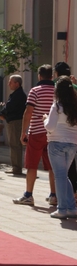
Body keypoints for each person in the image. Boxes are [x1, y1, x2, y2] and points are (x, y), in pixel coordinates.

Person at [13, 64, 56, 206]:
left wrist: (23, 132)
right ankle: (53, 195)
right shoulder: (57, 91)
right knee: (52, 166)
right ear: (52, 76)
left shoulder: (35, 91)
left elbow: (28, 112)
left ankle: (29, 195)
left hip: (37, 131)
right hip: (53, 133)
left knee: (32, 164)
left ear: (39, 76)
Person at [43, 76, 77, 219]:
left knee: (60, 176)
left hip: (56, 142)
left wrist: (45, 119)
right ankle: (71, 207)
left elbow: (50, 126)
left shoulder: (56, 106)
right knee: (64, 176)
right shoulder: (75, 106)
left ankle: (62, 209)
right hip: (72, 144)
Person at [53, 62, 77, 202]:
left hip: (63, 134)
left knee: (66, 168)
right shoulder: (74, 87)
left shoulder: (59, 90)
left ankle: (67, 197)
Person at [0, 75, 27, 175]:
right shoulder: (16, 94)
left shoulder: (19, 95)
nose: (8, 84)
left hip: (16, 121)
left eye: (10, 82)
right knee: (14, 144)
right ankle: (15, 166)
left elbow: (10, 107)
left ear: (17, 83)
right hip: (13, 121)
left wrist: (2, 114)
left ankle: (16, 168)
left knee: (15, 144)